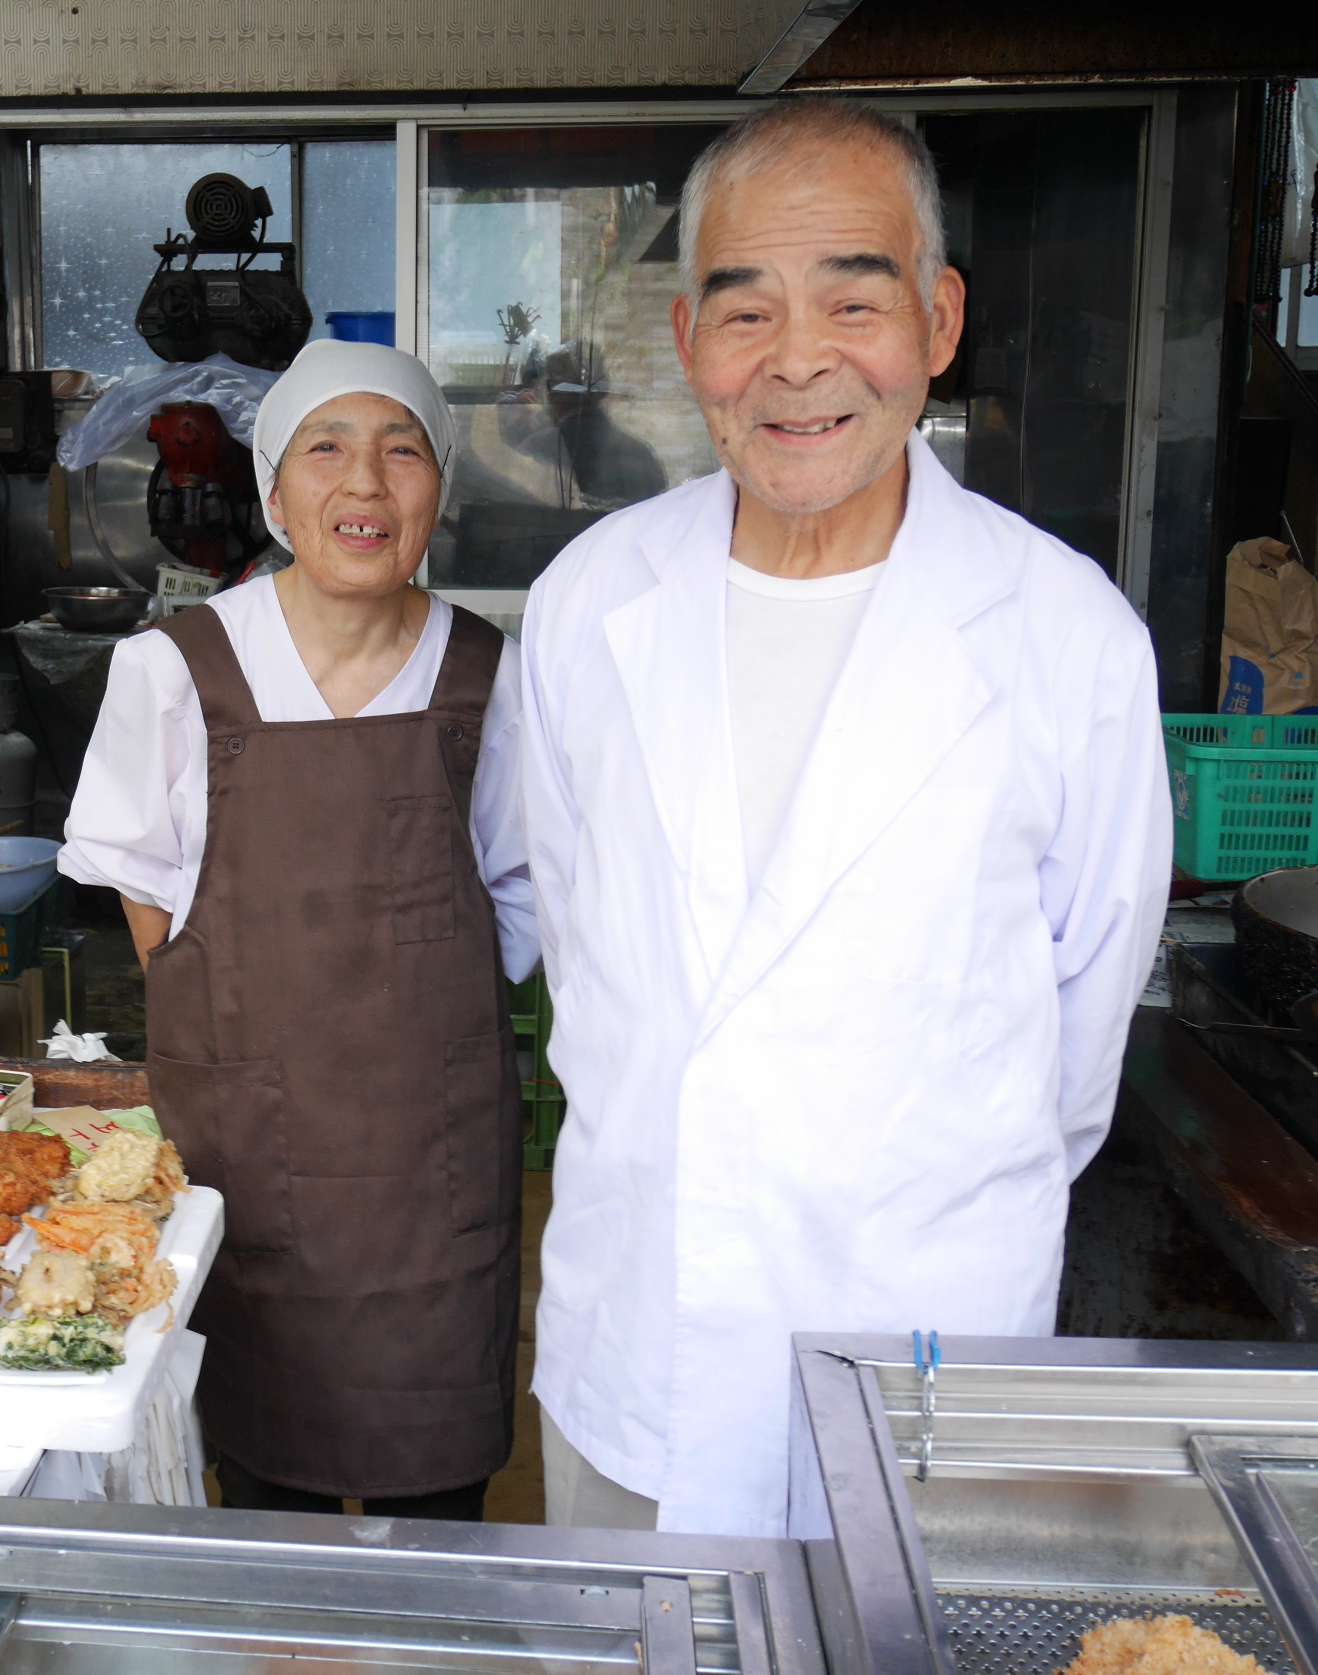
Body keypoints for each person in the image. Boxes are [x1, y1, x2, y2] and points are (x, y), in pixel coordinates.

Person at [518, 99, 1172, 1537]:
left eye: (853, 299)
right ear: (687, 342)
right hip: (647, 1340)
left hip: (925, 1347)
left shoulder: (1065, 636)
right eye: (745, 310)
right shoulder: (590, 606)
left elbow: (1080, 1031)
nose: (799, 360)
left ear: (938, 322)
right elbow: (583, 942)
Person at [59, 338, 539, 1520]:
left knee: (436, 1502)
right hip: (251, 1150)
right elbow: (144, 895)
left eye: (401, 450)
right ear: (275, 492)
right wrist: (231, 1023)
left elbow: (518, 898)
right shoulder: (175, 670)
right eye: (326, 448)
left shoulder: (490, 672)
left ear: (439, 492)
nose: (364, 485)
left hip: (432, 1172)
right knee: (259, 1478)